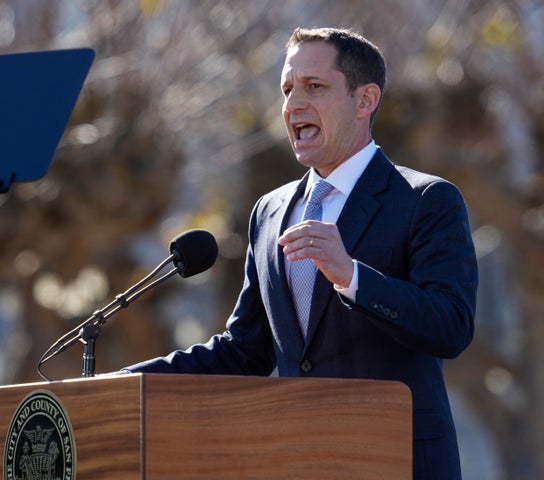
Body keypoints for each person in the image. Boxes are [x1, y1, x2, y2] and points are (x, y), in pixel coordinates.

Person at [124, 27, 477, 479]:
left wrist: (352, 276)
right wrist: (127, 383)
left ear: (365, 100)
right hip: (298, 457)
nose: (293, 104)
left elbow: (452, 326)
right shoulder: (270, 211)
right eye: (287, 89)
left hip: (396, 458)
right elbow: (244, 351)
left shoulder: (425, 200)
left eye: (314, 87)